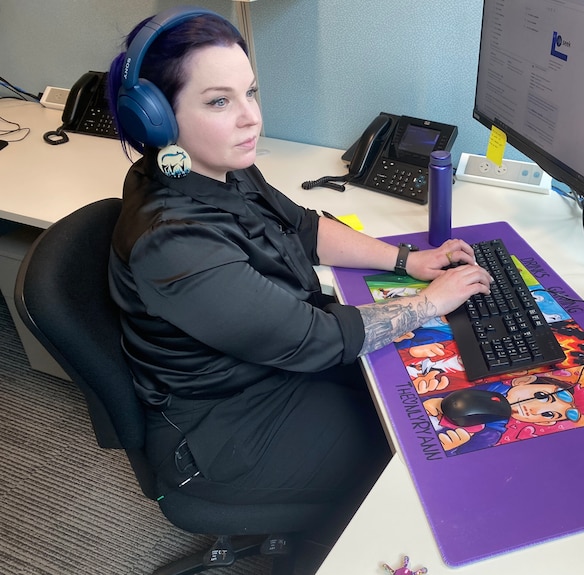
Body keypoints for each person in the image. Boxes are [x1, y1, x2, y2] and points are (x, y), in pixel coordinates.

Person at [104, 6, 492, 569]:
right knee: (423, 445)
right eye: (218, 101)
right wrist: (431, 304)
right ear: (156, 122)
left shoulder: (215, 166)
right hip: (229, 431)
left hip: (274, 372)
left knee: (427, 393)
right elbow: (312, 338)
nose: (250, 119)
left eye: (250, 93)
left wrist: (410, 261)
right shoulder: (173, 240)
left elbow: (304, 228)